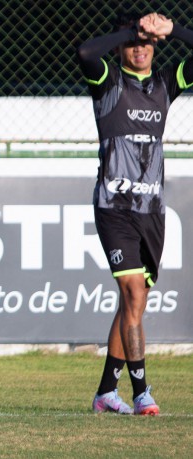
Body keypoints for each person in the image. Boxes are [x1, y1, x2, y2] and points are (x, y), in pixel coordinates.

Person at [77, 12, 193, 415]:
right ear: (123, 47)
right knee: (132, 292)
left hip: (152, 211)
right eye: (132, 43)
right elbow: (85, 50)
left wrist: (174, 30)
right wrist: (131, 31)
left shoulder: (163, 85)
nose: (140, 48)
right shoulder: (109, 82)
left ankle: (107, 391)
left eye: (146, 43)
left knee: (134, 303)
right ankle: (142, 390)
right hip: (114, 207)